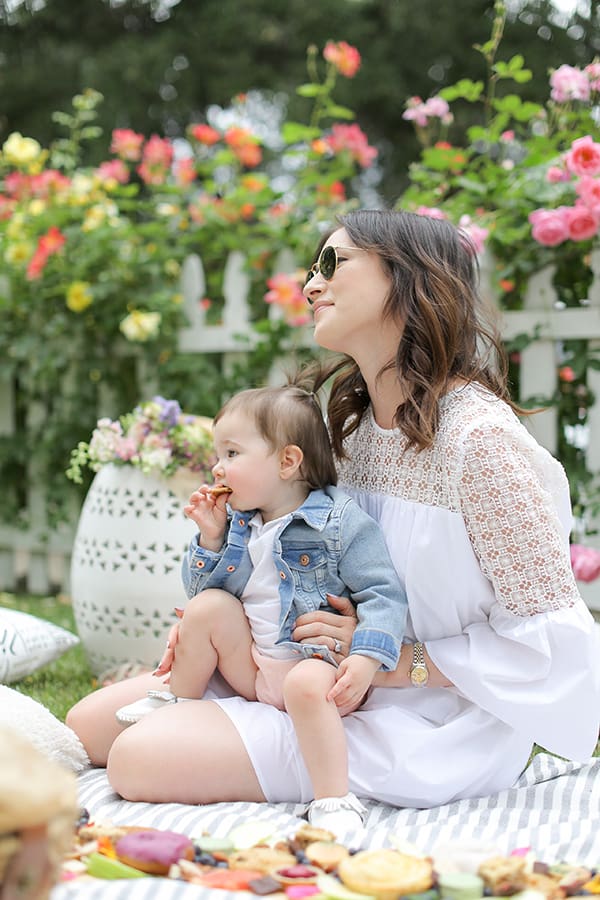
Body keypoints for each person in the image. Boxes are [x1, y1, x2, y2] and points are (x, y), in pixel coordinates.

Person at [67, 209, 600, 825]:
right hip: (304, 671)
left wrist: (392, 661)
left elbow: (551, 648)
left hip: (426, 719)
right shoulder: (350, 426)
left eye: (331, 263)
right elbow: (297, 553)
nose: (310, 284)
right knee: (88, 725)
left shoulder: (479, 443)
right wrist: (222, 621)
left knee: (136, 758)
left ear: (407, 279)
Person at [113, 380, 408, 836]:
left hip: (313, 668)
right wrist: (210, 539)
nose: (217, 467)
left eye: (232, 454)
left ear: (288, 461)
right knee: (210, 606)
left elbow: (383, 594)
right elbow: (205, 593)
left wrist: (367, 658)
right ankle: (178, 704)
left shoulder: (339, 522)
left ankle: (332, 798)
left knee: (308, 684)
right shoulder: (240, 523)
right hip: (253, 668)